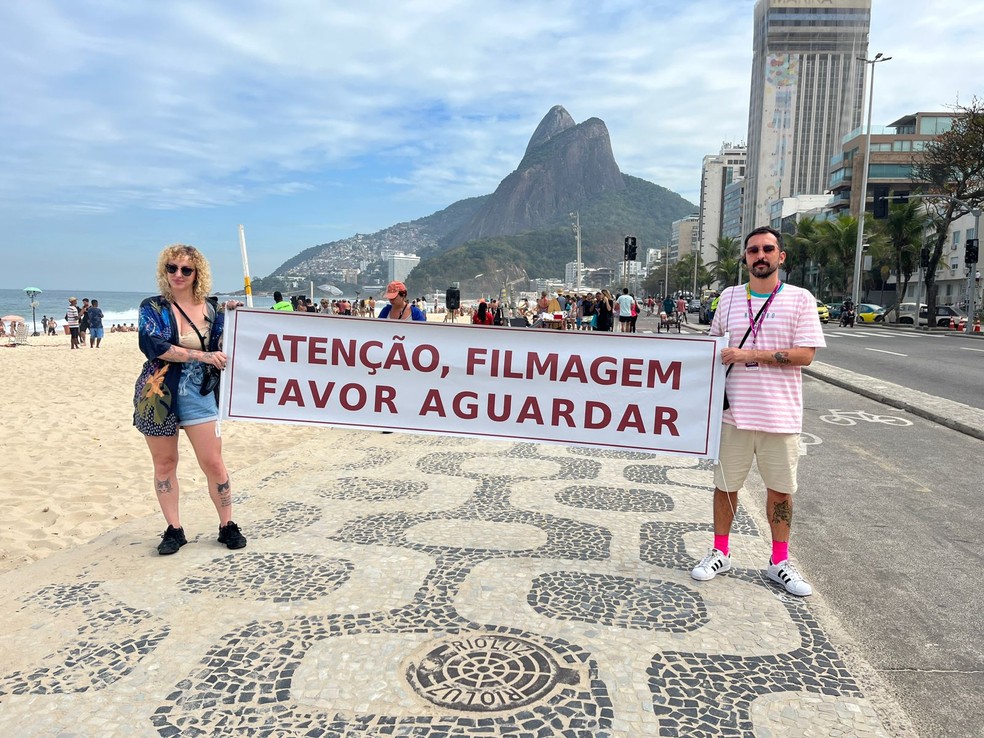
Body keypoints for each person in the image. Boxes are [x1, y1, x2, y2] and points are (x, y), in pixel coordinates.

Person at [691, 226, 825, 596]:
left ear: (781, 256)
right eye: (753, 250)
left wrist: (750, 354)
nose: (760, 255)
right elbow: (714, 348)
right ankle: (720, 552)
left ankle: (779, 561)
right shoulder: (729, 298)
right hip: (732, 415)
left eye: (768, 249)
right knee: (725, 487)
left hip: (779, 416)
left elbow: (805, 355)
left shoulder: (800, 299)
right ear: (745, 258)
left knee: (780, 492)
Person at [133, 244, 247, 556]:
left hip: (200, 391)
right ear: (164, 271)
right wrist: (203, 356)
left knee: (213, 462)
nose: (178, 274)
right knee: (165, 463)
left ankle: (227, 524)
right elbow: (154, 345)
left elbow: (227, 344)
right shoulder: (152, 307)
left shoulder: (213, 309)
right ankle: (174, 529)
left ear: (198, 273)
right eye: (172, 268)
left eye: (186, 269)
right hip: (158, 393)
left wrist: (234, 316)